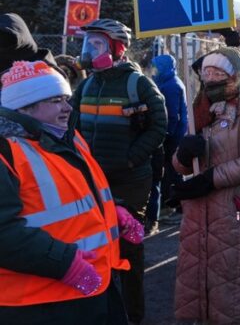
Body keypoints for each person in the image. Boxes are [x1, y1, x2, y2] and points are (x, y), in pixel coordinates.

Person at [0, 60, 143, 325]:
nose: (67, 107)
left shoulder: (67, 137)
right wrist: (65, 264)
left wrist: (114, 209)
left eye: (66, 99)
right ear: (24, 107)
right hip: (39, 304)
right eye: (56, 101)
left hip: (94, 285)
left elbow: (79, 191)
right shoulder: (6, 151)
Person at [69, 18, 167, 324]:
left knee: (128, 248)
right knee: (96, 246)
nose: (89, 50)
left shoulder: (138, 84)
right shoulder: (87, 85)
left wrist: (130, 158)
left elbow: (159, 125)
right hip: (94, 181)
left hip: (130, 181)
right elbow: (70, 125)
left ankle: (133, 315)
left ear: (117, 48)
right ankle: (105, 311)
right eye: (88, 44)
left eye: (97, 44)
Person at [171, 47, 240, 323]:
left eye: (218, 72)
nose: (211, 77)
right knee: (203, 289)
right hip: (199, 216)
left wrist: (211, 179)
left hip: (237, 214)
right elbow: (180, 164)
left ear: (236, 75)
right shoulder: (199, 109)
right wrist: (183, 156)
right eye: (207, 72)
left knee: (237, 294)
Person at [150, 54, 189, 233]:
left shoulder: (171, 85)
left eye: (156, 67)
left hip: (173, 135)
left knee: (173, 170)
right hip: (174, 133)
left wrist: (166, 134)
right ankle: (172, 205)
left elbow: (173, 115)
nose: (154, 70)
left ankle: (178, 207)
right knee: (171, 169)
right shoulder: (167, 81)